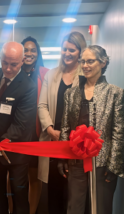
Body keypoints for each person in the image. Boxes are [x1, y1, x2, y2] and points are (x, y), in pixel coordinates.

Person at [60, 45, 124, 214]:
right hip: (76, 160)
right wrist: (62, 156)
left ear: (103, 63)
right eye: (83, 61)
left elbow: (118, 132)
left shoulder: (115, 94)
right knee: (75, 207)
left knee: (101, 208)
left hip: (103, 163)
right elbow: (65, 127)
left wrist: (114, 165)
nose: (85, 66)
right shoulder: (71, 94)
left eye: (90, 61)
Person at [38, 31, 86, 214]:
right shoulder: (51, 75)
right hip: (54, 142)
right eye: (64, 49)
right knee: (55, 194)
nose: (67, 53)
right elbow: (42, 105)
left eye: (72, 50)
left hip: (75, 143)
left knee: (74, 194)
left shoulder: (85, 77)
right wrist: (50, 130)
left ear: (80, 52)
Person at [0, 42, 37, 214]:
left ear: (23, 61)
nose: (8, 69)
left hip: (16, 150)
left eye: (13, 64)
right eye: (4, 63)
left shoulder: (28, 86)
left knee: (19, 194)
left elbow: (21, 126)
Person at [20, 36, 49, 214]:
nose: (29, 53)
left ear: (37, 54)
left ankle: (31, 211)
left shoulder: (45, 74)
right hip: (16, 134)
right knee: (13, 177)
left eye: (32, 50)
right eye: (25, 50)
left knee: (34, 177)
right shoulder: (12, 71)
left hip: (36, 134)